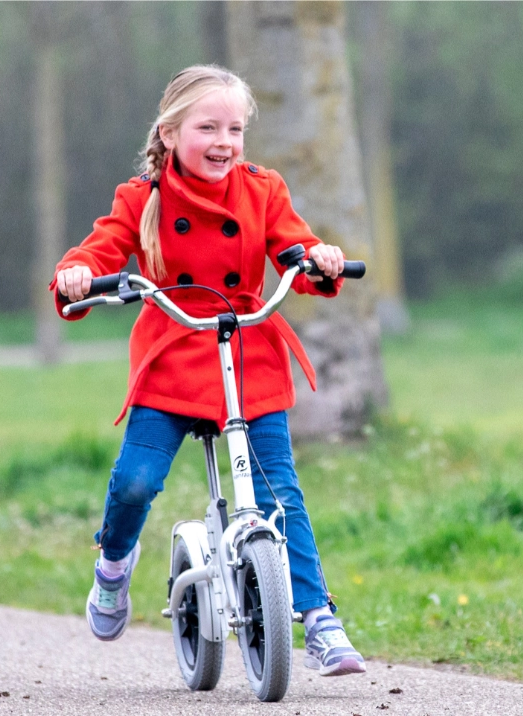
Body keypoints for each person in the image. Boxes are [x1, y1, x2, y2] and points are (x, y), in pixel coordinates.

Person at [48, 65, 363, 676]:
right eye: (208, 128)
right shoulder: (141, 197)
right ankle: (113, 566)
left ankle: (319, 617)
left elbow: (292, 245)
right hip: (174, 352)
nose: (224, 142)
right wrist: (77, 274)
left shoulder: (262, 189)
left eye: (235, 129)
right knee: (136, 481)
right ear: (169, 133)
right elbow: (101, 246)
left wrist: (316, 259)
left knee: (279, 492)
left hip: (245, 350)